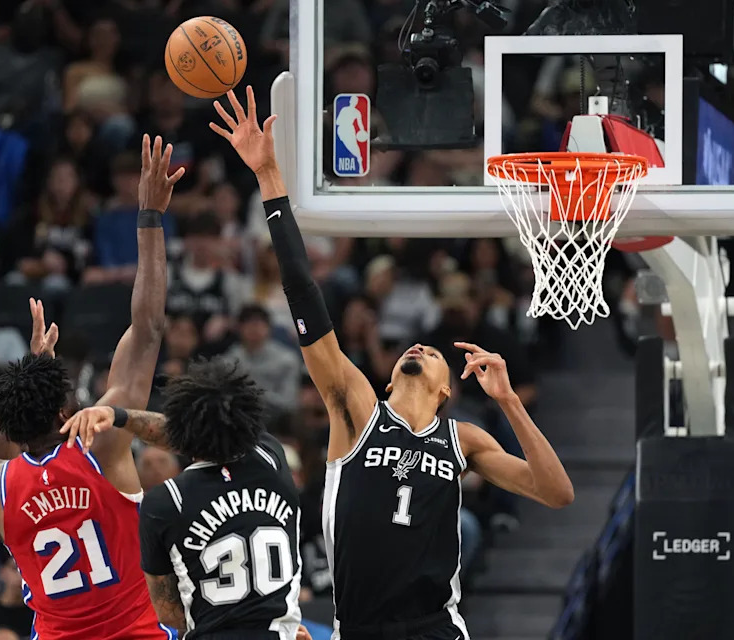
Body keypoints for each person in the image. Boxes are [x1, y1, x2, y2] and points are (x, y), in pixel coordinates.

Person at [209, 87, 575, 640]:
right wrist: (268, 177)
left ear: (445, 390)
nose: (421, 348)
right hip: (359, 628)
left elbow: (556, 493)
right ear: (384, 378)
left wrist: (509, 403)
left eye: (433, 354)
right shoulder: (356, 409)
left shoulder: (463, 439)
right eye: (416, 348)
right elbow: (304, 293)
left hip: (434, 629)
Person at [0, 134, 185, 640]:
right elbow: (150, 327)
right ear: (62, 409)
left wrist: (30, 373)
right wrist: (150, 215)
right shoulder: (98, 443)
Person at [60, 358, 307, 640]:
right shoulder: (272, 458)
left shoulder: (166, 501)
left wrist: (120, 417)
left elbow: (167, 611)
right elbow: (196, 432)